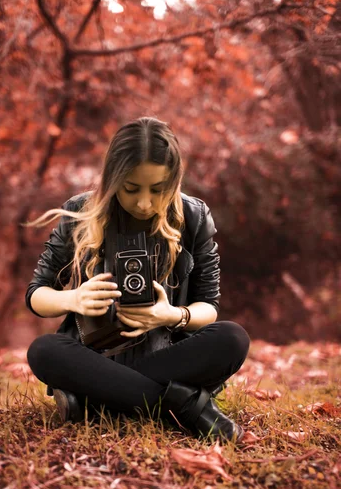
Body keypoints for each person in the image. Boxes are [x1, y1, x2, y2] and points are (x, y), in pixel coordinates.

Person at [25, 117, 250, 443]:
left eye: (158, 190)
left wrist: (173, 315)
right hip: (94, 358)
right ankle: (186, 405)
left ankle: (93, 402)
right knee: (44, 350)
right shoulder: (79, 211)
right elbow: (36, 294)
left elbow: (209, 306)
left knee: (232, 338)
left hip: (166, 357)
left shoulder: (194, 216)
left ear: (173, 181)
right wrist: (72, 298)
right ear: (114, 178)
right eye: (131, 189)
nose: (144, 203)